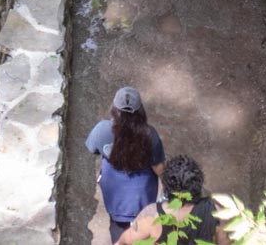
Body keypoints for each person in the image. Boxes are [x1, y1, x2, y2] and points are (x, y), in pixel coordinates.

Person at [85, 86, 166, 243]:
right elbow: (159, 169)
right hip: (142, 197)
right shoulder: (150, 135)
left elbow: (92, 149)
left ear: (114, 110)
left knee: (118, 228)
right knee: (143, 230)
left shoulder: (102, 129)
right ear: (140, 112)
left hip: (116, 198)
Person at [117, 154, 228, 243]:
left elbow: (124, 242)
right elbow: (226, 242)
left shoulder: (151, 215)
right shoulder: (214, 211)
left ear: (166, 186)